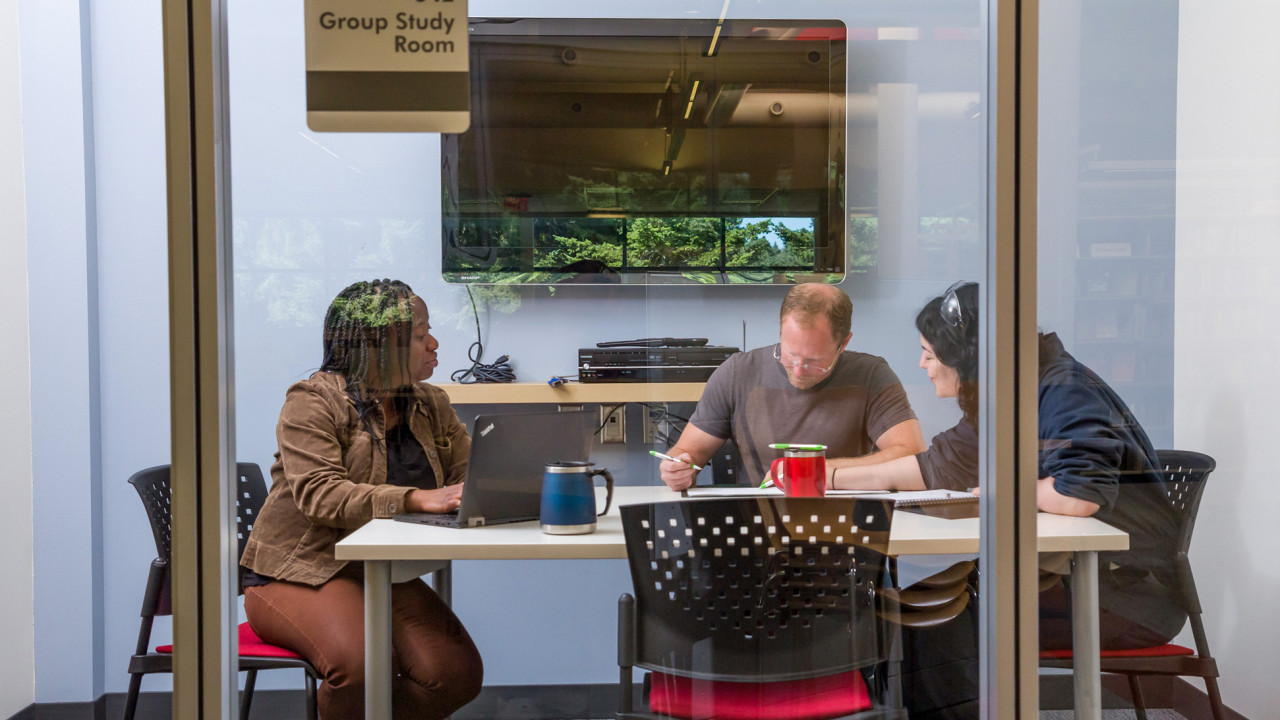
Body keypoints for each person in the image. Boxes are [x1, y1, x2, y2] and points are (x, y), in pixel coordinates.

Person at [833, 281, 1186, 650]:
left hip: (1129, 597)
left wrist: (1007, 492)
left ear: (965, 359)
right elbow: (932, 467)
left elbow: (1081, 494)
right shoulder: (1012, 393)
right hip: (1087, 577)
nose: (922, 364)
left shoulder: (1063, 389)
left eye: (929, 354)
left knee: (941, 611)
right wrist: (830, 476)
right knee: (923, 599)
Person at [239, 279, 483, 719]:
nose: (435, 342)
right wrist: (415, 498)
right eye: (420, 334)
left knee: (454, 674)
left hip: (378, 568)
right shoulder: (312, 400)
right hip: (301, 571)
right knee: (359, 670)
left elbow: (468, 478)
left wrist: (501, 487)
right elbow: (321, 494)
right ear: (380, 346)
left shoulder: (431, 402)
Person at [659, 282, 926, 490]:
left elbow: (910, 454)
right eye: (789, 354)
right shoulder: (737, 372)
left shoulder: (871, 375)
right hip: (760, 530)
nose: (798, 370)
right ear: (780, 332)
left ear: (843, 344)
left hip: (847, 529)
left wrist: (816, 472)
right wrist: (678, 468)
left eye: (814, 361)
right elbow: (689, 453)